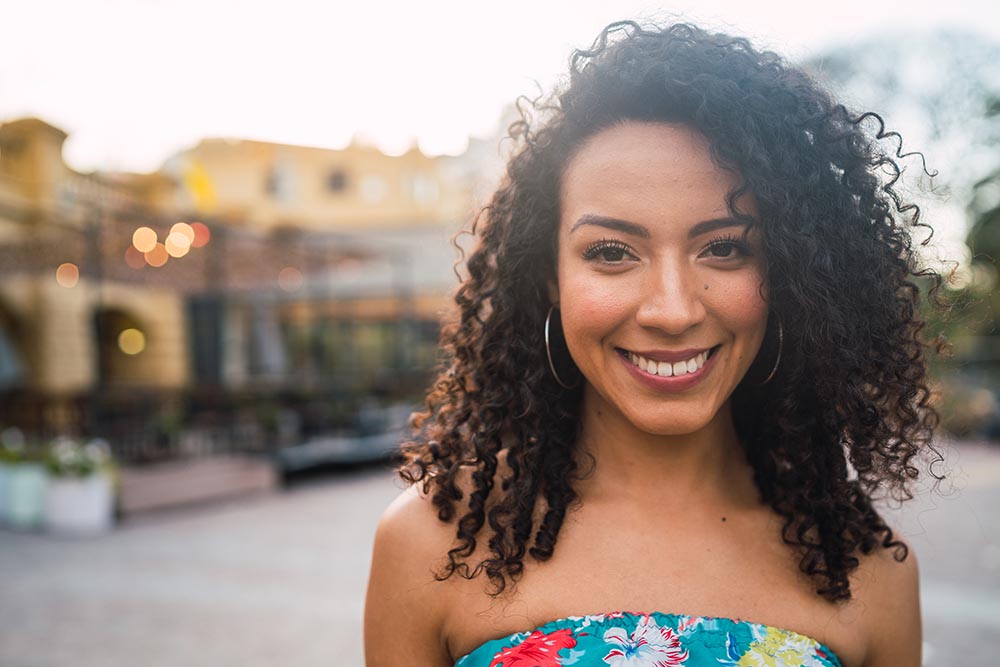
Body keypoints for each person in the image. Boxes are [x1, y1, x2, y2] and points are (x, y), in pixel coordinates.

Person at [365, 20, 938, 667]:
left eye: (725, 248)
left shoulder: (864, 569)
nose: (671, 309)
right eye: (611, 252)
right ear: (550, 276)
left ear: (790, 277)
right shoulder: (432, 545)